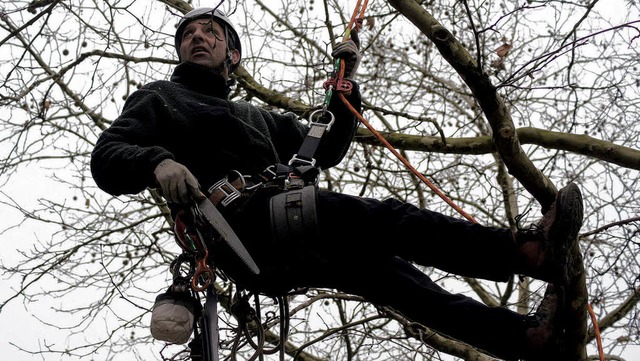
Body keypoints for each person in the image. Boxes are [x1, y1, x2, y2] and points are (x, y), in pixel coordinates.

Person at [90, 7, 584, 361]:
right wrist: (158, 162)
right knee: (387, 218)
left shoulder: (256, 118)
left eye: (211, 32)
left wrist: (346, 86)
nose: (198, 37)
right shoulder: (160, 98)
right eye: (189, 34)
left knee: (393, 277)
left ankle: (528, 340)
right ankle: (525, 253)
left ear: (232, 55)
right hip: (237, 226)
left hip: (281, 230)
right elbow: (107, 158)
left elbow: (323, 145)